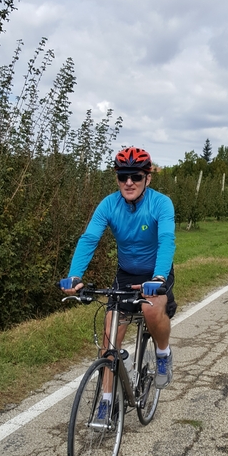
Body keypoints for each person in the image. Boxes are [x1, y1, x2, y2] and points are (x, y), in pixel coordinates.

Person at [60, 146, 176, 416]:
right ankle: (107, 400)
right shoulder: (109, 204)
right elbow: (90, 238)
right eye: (122, 176)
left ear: (148, 178)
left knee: (150, 308)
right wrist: (75, 275)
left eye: (135, 176)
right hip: (126, 274)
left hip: (156, 273)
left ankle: (163, 354)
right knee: (110, 337)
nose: (128, 182)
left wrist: (158, 277)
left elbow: (166, 239)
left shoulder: (161, 203)